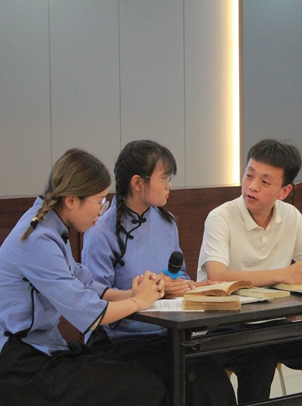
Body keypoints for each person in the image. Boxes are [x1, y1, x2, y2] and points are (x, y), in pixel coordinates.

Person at [0, 148, 167, 406]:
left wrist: (131, 293)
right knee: (140, 386)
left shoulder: (52, 226)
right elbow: (89, 313)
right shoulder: (38, 239)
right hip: (14, 367)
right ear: (71, 200)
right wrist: (139, 302)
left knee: (139, 370)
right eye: (99, 201)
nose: (102, 209)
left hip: (39, 351)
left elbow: (85, 283)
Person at [197, 139, 302, 405]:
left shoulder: (290, 216)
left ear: (284, 191)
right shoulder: (221, 217)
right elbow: (217, 276)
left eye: (265, 182)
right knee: (259, 360)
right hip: (223, 323)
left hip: (271, 321)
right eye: (249, 175)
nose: (252, 186)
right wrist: (284, 274)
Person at [81, 139, 236, 405]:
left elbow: (176, 274)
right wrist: (149, 290)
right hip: (123, 340)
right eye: (164, 178)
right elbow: (95, 299)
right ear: (137, 182)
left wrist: (187, 285)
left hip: (167, 334)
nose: (169, 185)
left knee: (212, 379)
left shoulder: (167, 221)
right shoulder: (101, 232)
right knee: (171, 383)